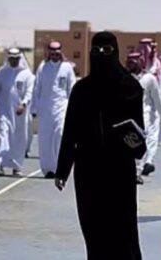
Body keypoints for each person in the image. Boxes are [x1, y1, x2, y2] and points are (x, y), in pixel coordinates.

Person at [55, 31, 145, 260]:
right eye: (96, 51)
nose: (101, 55)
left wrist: (135, 144)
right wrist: (63, 169)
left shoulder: (130, 87)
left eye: (107, 50)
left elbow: (139, 134)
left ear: (116, 52)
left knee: (123, 231)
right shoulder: (81, 90)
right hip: (89, 172)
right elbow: (70, 131)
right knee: (93, 232)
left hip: (119, 172)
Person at [0, 47, 34, 177]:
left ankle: (16, 166)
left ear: (20, 59)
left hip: (20, 114)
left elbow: (30, 92)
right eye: (11, 59)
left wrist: (23, 104)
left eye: (16, 59)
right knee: (2, 135)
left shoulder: (27, 74)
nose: (14, 61)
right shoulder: (2, 73)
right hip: (4, 111)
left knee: (18, 139)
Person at [32, 41, 76, 178]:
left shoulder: (67, 67)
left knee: (60, 134)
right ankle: (49, 169)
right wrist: (34, 108)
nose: (55, 55)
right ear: (49, 53)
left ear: (60, 53)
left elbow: (72, 88)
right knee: (45, 139)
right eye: (52, 53)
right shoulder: (43, 67)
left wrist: (74, 109)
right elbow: (37, 88)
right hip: (45, 109)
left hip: (62, 107)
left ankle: (60, 167)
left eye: (57, 53)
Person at [126, 52, 161, 182]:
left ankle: (137, 172)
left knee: (141, 143)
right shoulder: (124, 78)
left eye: (134, 62)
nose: (131, 64)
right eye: (129, 62)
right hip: (127, 118)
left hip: (144, 117)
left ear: (141, 62)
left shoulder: (149, 79)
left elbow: (158, 100)